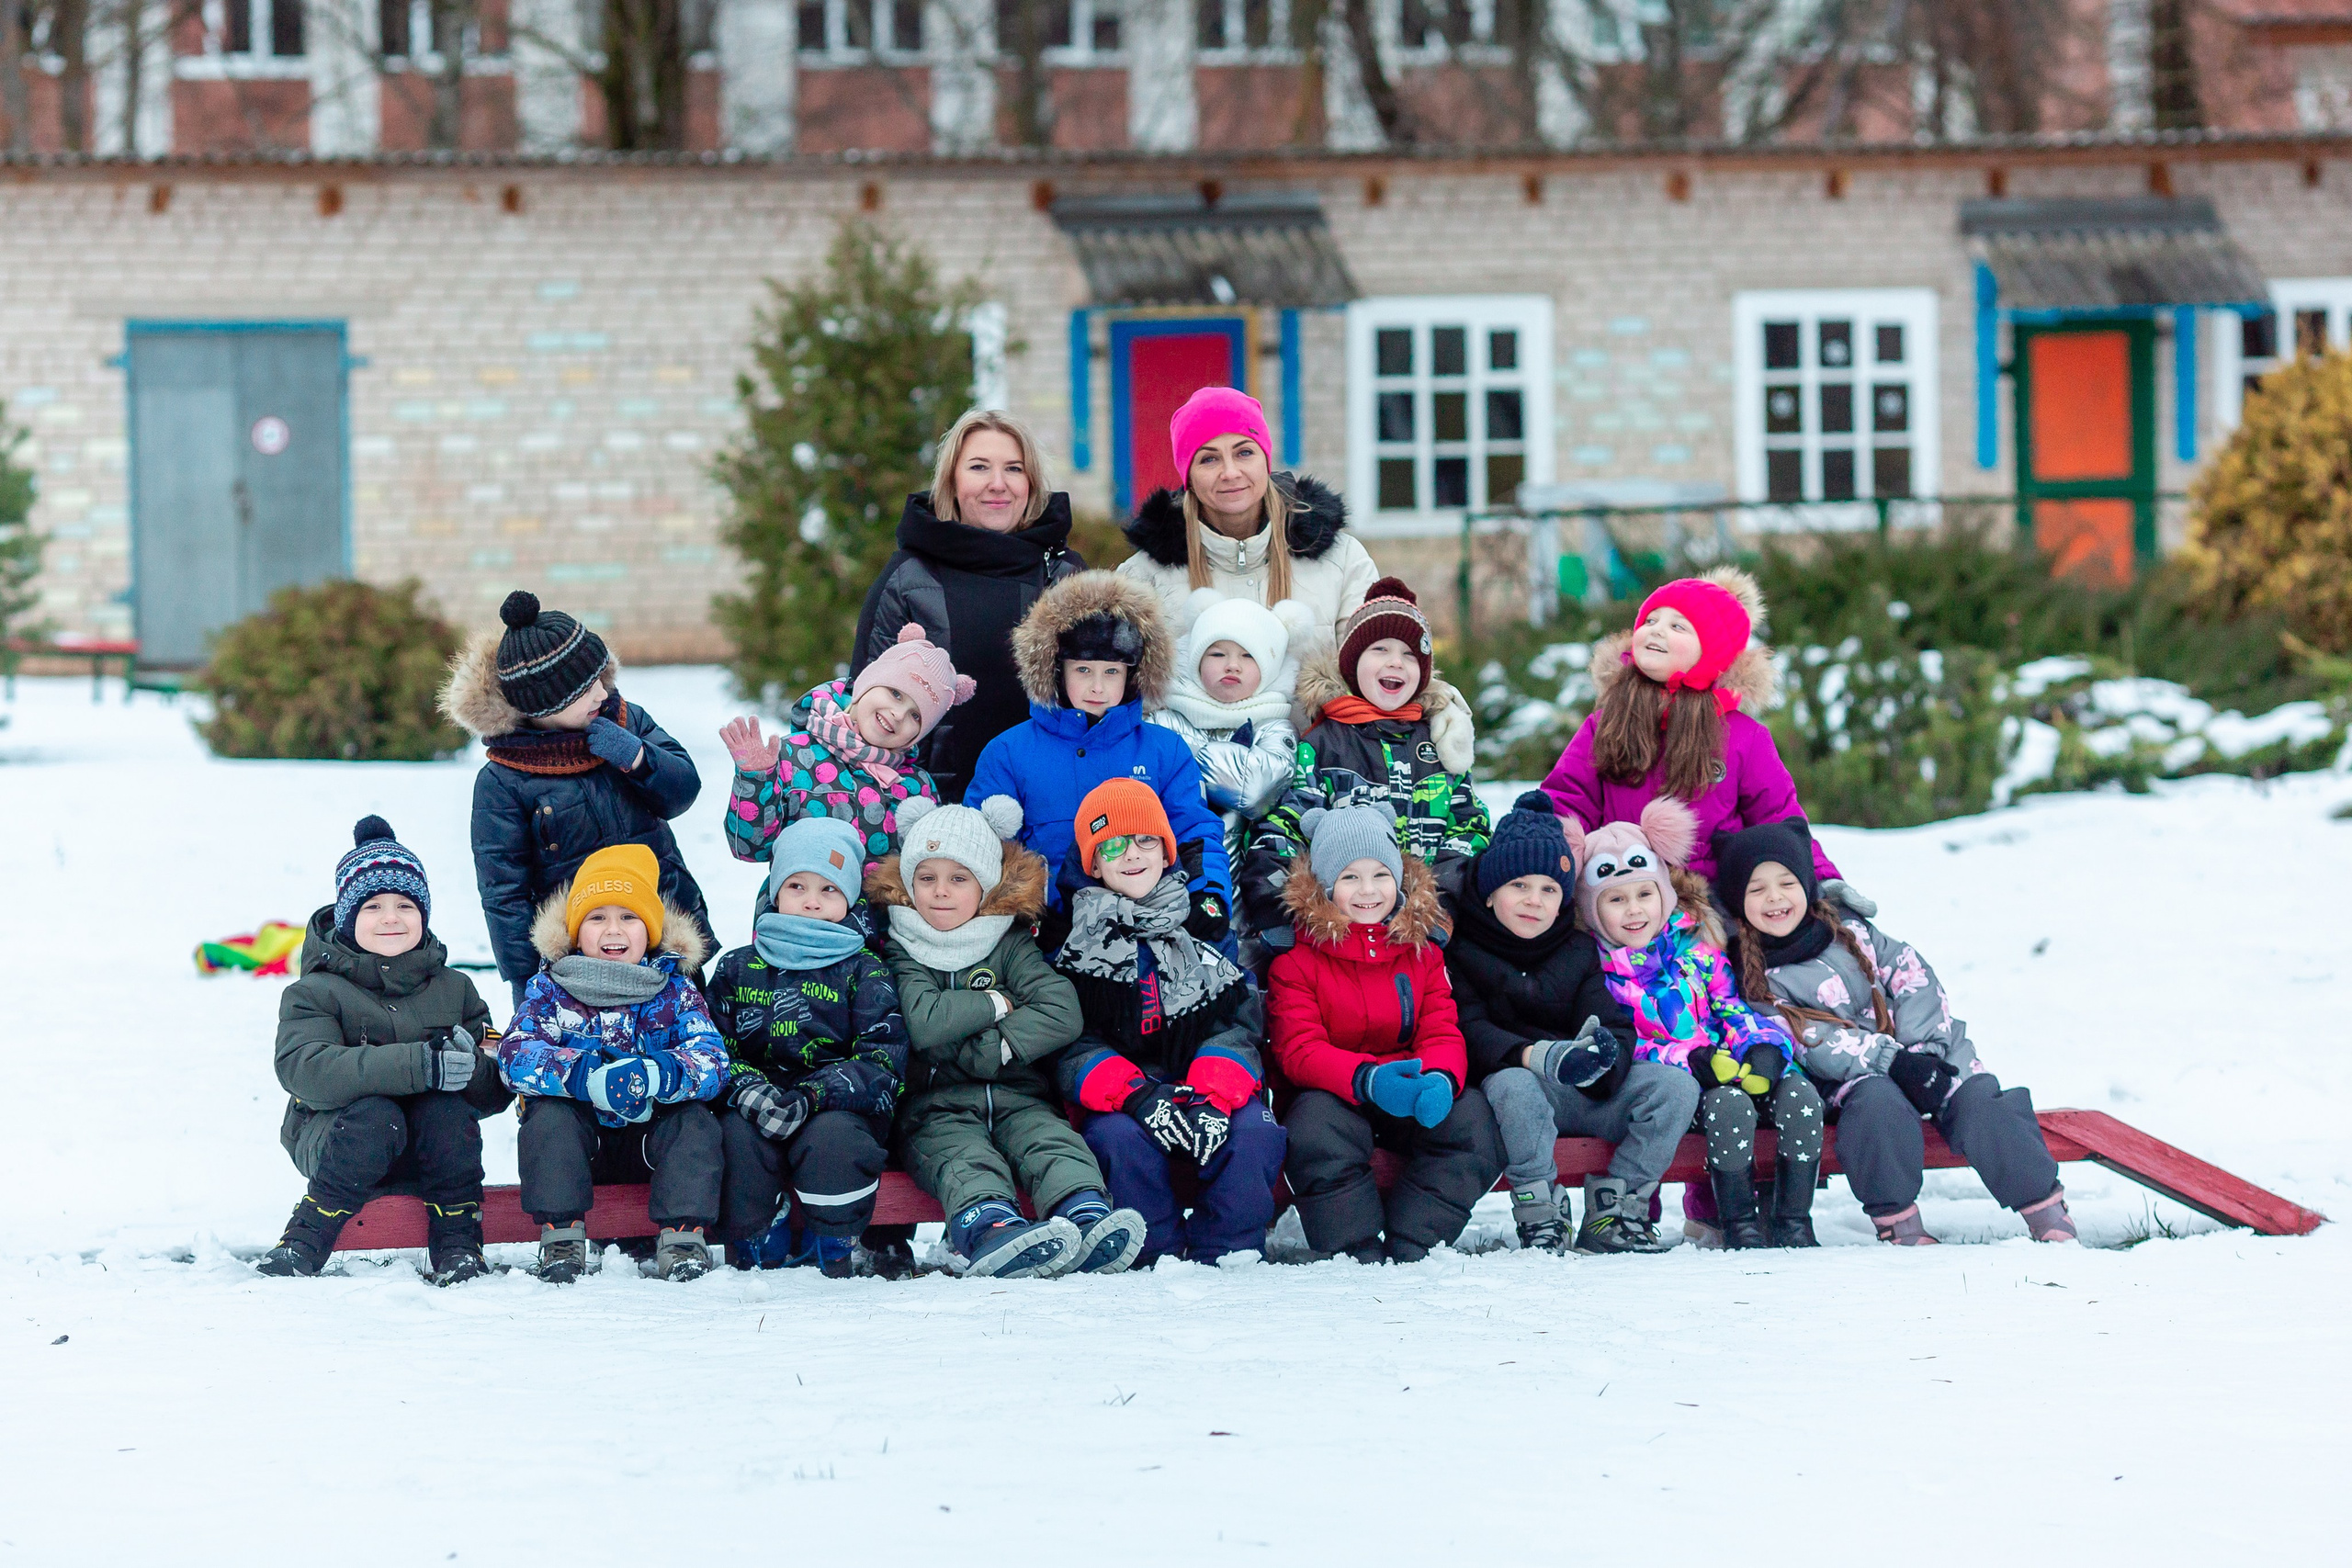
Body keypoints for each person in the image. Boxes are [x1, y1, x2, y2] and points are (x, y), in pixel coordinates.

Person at [1714, 818, 2076, 1246]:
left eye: (1786, 883)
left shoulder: (1851, 931)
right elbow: (1805, 1038)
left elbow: (1912, 975)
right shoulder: (1755, 978)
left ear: (1808, 886)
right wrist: (1891, 1061)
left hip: (1926, 1051)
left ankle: (2045, 1209)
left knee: (1981, 1102)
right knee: (1877, 1110)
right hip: (1852, 1078)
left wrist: (1922, 1053)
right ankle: (1900, 1224)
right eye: (1757, 889)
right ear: (1740, 901)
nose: (1775, 898)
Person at [872, 795, 1148, 1279]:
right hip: (937, 1104)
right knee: (962, 1156)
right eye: (927, 878)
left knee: (1051, 1141)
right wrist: (998, 1002)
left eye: (959, 879)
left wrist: (995, 1045)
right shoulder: (902, 945)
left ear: (985, 885)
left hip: (1018, 1092)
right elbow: (925, 1021)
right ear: (909, 883)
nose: (940, 892)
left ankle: (1085, 1212)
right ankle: (991, 1227)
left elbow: (1062, 1009)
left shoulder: (1008, 940)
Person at [1444, 792, 1698, 1256]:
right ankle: (1541, 1213)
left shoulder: (1576, 948)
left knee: (1675, 1087)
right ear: (1490, 889)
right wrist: (1536, 1056)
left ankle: (1618, 1207)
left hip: (1584, 1089)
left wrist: (1604, 1058)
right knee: (1512, 1085)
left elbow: (1614, 1022)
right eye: (1519, 886)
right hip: (1522, 1097)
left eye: (1549, 889)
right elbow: (1468, 1028)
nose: (1534, 901)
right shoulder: (1462, 951)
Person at [259, 818, 506, 1281]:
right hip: (339, 1140)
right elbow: (306, 1069)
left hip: (433, 1152)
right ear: (349, 918)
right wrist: (420, 1064)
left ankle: (458, 1243)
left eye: (405, 905)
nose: (391, 917)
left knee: (447, 1112)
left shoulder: (457, 989)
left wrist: (470, 1065)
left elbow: (496, 1080)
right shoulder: (314, 992)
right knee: (377, 1113)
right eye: (372, 906)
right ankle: (306, 1237)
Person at [444, 590, 712, 1012]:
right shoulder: (504, 780)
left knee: (685, 1034)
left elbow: (683, 792)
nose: (602, 695)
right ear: (546, 704)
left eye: (601, 680)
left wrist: (637, 757)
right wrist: (524, 979)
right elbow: (504, 893)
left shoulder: (626, 721)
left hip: (662, 924)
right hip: (579, 954)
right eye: (587, 689)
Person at [1053, 780, 1285, 1265]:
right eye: (1112, 844)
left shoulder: (1203, 926)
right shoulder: (1072, 941)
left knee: (1254, 1130)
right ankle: (1152, 1252)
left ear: (1165, 852)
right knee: (1115, 1140)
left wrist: (1213, 1093)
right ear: (1094, 863)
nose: (1131, 854)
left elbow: (1238, 1020)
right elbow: (1069, 1040)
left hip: (1204, 1079)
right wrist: (1136, 1094)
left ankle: (1229, 1249)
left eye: (1145, 840)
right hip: (1123, 1091)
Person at [1572, 799, 1821, 1250]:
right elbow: (1626, 1046)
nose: (1634, 911)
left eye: (1645, 894)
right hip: (1683, 1093)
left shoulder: (1695, 947)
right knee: (1729, 1105)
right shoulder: (1597, 972)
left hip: (1729, 1067)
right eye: (1616, 899)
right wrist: (1692, 1060)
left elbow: (1729, 1006)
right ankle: (1739, 1224)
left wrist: (1761, 1047)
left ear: (1664, 894)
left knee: (1799, 1092)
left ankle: (1794, 1221)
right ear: (1592, 908)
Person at [1538, 568, 1869, 907]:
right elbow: (1566, 802)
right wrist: (1538, 865)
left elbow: (1779, 819)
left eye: (1677, 626)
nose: (1657, 631)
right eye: (1650, 621)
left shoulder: (1743, 737)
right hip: (1624, 900)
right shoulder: (1607, 723)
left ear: (1711, 652)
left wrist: (1822, 879)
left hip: (1714, 903)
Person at [1269, 802, 1504, 1263]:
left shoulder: (1421, 951)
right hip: (1338, 1092)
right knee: (1313, 1129)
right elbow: (1299, 1048)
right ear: (1325, 886)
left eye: (1380, 874)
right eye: (1350, 878)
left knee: (1473, 1118)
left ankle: (1415, 1237)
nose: (1367, 891)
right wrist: (1367, 1079)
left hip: (1409, 1085)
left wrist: (1440, 1076)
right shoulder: (1295, 960)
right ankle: (1353, 1246)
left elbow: (1442, 1027)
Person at [497, 844, 730, 1283]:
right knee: (547, 1118)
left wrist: (657, 1074)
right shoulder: (551, 988)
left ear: (651, 929)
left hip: (651, 1142)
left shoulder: (674, 990)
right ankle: (561, 1236)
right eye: (596, 917)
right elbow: (515, 1053)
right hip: (583, 1148)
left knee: (695, 1123)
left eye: (628, 917)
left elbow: (713, 1059)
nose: (613, 929)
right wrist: (583, 1075)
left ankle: (683, 1237)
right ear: (575, 930)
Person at [966, 571, 1232, 935]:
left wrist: (1208, 894)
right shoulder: (1008, 753)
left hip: (1154, 928)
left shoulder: (1164, 750)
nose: (1097, 686)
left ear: (1133, 674)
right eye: (1083, 670)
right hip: (1049, 932)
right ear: (1056, 671)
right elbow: (981, 848)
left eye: (1111, 671)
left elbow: (1194, 830)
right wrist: (1027, 913)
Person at [707, 818, 908, 1277]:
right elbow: (715, 1047)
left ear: (850, 897)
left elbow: (882, 1057)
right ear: (776, 890)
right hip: (758, 1096)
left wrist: (813, 1095)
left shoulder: (865, 970)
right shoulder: (738, 966)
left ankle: (833, 1237)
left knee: (833, 1143)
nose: (811, 901)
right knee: (737, 1138)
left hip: (836, 1103)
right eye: (797, 885)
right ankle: (756, 1234)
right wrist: (749, 1092)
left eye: (829, 890)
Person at [1242, 578, 1487, 953]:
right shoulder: (1325, 743)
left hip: (1425, 937)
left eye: (1409, 655)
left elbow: (1470, 827)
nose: (1395, 662)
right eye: (1380, 649)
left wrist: (1441, 905)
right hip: (1340, 938)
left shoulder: (1438, 743)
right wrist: (1272, 908)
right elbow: (1283, 825)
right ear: (1353, 663)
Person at [853, 410, 1086, 802]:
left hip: (1051, 807)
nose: (998, 484)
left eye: (1014, 468)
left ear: (1031, 483)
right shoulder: (909, 577)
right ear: (952, 480)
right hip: (930, 813)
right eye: (979, 467)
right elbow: (862, 706)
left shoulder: (1065, 577)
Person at [1117, 386, 1378, 642]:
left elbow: (1369, 672)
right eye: (1209, 459)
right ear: (1189, 478)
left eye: (1244, 453)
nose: (1230, 472)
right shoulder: (1142, 579)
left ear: (1265, 461)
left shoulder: (1343, 561)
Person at [720, 623, 974, 878]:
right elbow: (749, 848)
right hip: (802, 914)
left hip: (881, 917)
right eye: (895, 693)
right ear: (866, 685)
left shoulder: (917, 787)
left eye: (916, 716)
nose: (898, 715)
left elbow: (928, 871)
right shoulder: (793, 757)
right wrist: (756, 778)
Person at [1147, 591, 1316, 887]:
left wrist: (1179, 757)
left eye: (1248, 656)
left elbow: (1254, 789)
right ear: (1196, 661)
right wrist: (1231, 760)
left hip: (1247, 901)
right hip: (1166, 888)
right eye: (1217, 654)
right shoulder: (1162, 717)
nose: (1232, 665)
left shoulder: (1275, 728)